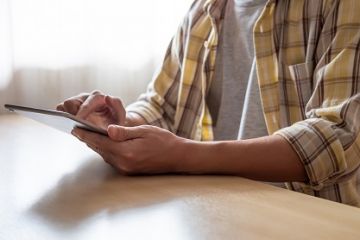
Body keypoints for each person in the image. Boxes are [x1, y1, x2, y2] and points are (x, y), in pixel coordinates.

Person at [57, 0, 360, 207]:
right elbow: (164, 107)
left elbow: (337, 137)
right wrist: (118, 125)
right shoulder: (205, 9)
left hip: (313, 220)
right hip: (219, 208)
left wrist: (182, 156)